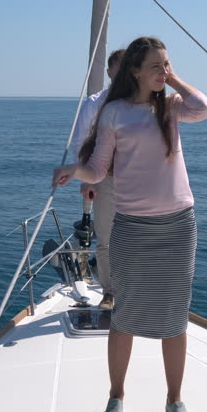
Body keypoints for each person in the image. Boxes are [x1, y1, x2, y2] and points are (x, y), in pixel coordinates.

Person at [52, 37, 207, 412]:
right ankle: (116, 396)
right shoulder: (114, 113)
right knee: (123, 313)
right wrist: (77, 170)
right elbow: (99, 170)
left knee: (175, 316)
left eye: (167, 64)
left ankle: (174, 399)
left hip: (177, 225)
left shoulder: (172, 108)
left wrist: (172, 79)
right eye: (156, 66)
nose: (163, 71)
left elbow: (204, 107)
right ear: (135, 71)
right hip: (133, 225)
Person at [70, 48, 124, 310]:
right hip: (105, 177)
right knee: (106, 238)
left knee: (141, 237)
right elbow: (81, 142)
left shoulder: (147, 103)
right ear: (110, 72)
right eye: (120, 67)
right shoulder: (95, 103)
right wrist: (87, 179)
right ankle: (110, 293)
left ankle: (136, 293)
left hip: (141, 179)